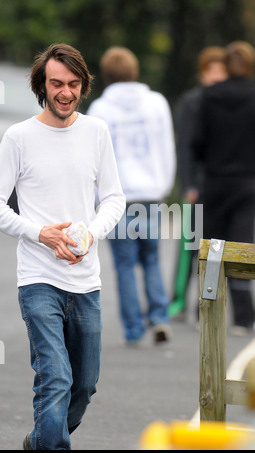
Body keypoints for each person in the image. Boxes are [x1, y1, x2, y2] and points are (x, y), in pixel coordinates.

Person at [0, 43, 126, 450]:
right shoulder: (18, 137)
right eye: (57, 83)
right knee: (55, 378)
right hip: (38, 279)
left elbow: (114, 199)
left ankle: (39, 441)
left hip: (86, 283)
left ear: (83, 85)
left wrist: (90, 233)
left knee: (84, 386)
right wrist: (41, 233)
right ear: (43, 85)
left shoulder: (97, 132)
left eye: (73, 84)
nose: (65, 92)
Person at [87, 46, 176, 345]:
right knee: (151, 259)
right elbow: (167, 148)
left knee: (125, 265)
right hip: (151, 194)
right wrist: (163, 185)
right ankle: (160, 318)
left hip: (118, 198)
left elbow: (94, 158)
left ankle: (134, 328)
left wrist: (97, 199)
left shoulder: (100, 109)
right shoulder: (156, 103)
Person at [192, 41, 255, 334]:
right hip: (246, 180)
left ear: (226, 66)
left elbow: (196, 140)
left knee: (213, 248)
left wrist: (210, 161)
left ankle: (208, 309)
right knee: (242, 247)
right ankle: (243, 317)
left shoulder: (208, 96)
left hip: (214, 180)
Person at [168, 47, 228, 319]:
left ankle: (204, 305)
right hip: (195, 187)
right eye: (211, 71)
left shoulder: (229, 103)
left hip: (219, 187)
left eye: (221, 71)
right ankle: (178, 303)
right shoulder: (191, 102)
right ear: (203, 73)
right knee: (189, 248)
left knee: (215, 248)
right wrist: (189, 183)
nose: (216, 76)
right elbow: (184, 149)